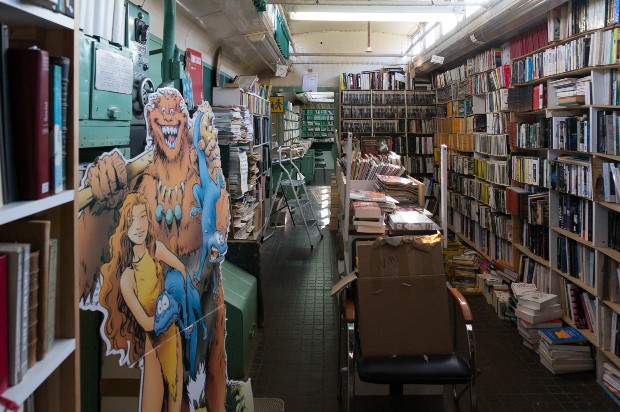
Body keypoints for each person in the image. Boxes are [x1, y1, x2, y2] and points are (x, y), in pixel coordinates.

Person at [98, 192, 185, 412]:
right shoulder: (127, 277)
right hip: (153, 343)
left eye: (143, 216)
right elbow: (146, 323)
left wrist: (176, 296)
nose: (139, 225)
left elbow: (182, 269)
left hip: (172, 336)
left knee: (175, 399)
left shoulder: (156, 250)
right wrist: (167, 314)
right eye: (132, 220)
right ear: (124, 228)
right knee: (151, 404)